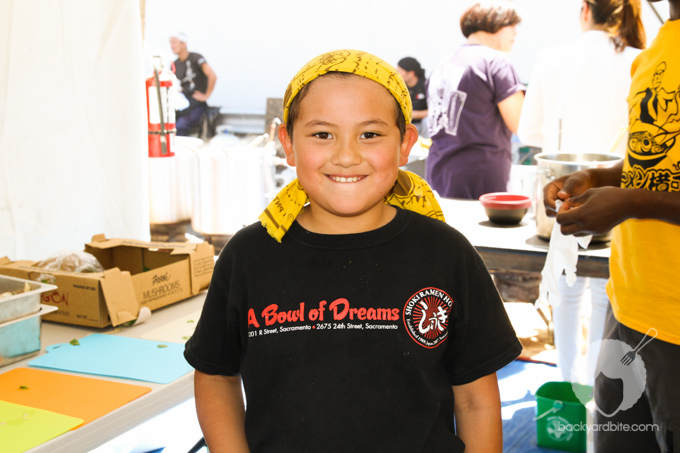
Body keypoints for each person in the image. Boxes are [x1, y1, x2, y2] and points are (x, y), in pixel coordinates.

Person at [184, 49, 522, 452]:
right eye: (323, 134)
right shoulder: (249, 255)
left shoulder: (446, 254)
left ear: (405, 144)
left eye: (370, 134)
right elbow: (216, 375)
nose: (346, 156)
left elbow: (474, 399)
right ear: (288, 144)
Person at [543, 1, 680, 450]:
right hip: (629, 306)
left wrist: (632, 202)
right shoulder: (657, 50)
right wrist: (597, 178)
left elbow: (645, 190)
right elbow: (654, 163)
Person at [517, 0, 646, 386]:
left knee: (567, 289)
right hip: (624, 191)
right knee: (606, 292)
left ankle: (571, 389)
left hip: (564, 187)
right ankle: (597, 395)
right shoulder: (640, 58)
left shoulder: (553, 57)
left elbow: (529, 134)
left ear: (585, 9)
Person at [425, 1, 525, 200]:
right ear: (496, 23)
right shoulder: (497, 62)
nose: (515, 34)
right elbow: (520, 124)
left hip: (438, 172)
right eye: (512, 26)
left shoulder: (442, 64)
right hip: (482, 177)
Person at [169, 32, 217, 136]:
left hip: (196, 104)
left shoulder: (196, 58)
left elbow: (212, 76)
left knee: (180, 127)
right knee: (168, 126)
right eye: (170, 42)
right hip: (182, 104)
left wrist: (206, 95)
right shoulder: (174, 64)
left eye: (174, 42)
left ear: (183, 43)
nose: (172, 45)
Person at [397, 56, 429, 136]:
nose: (397, 74)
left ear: (411, 74)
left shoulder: (427, 86)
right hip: (407, 125)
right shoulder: (399, 88)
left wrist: (413, 114)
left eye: (400, 71)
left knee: (428, 121)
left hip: (423, 125)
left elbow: (435, 111)